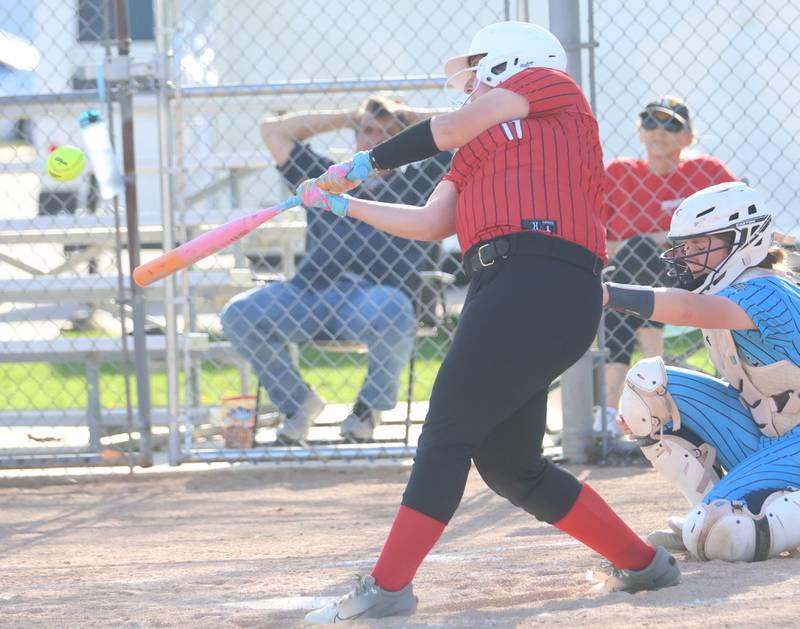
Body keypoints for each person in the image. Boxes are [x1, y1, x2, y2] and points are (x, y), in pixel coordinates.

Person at [292, 21, 680, 624]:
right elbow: (431, 222)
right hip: (501, 289)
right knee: (511, 466)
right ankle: (642, 563)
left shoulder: (551, 85)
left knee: (446, 432)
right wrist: (341, 202)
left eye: (478, 72)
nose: (470, 85)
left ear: (510, 61)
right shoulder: (474, 148)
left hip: (543, 276)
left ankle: (388, 587)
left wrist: (361, 163)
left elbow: (446, 128)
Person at [220, 95, 451, 443]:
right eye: (369, 130)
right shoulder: (327, 179)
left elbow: (467, 127)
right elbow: (272, 132)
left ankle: (366, 411)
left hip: (373, 300)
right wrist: (348, 116)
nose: (378, 139)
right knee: (239, 314)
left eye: (390, 133)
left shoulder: (419, 181)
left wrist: (408, 117)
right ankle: (298, 404)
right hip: (311, 292)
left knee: (394, 308)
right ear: (356, 137)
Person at [605, 181, 800, 562]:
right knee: (648, 387)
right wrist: (650, 412)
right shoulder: (726, 291)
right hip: (774, 435)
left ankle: (724, 514)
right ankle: (714, 509)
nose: (688, 256)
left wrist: (608, 293)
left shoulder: (767, 292)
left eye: (700, 245)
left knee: (725, 535)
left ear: (743, 241)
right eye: (685, 246)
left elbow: (687, 309)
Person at [600, 96, 737, 430]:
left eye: (672, 124)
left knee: (636, 258)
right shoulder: (619, 173)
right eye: (650, 122)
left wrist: (654, 242)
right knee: (638, 254)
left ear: (688, 137)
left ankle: (608, 409)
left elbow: (732, 231)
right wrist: (664, 238)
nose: (660, 130)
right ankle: (655, 379)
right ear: (640, 133)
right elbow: (598, 242)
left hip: (691, 279)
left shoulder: (707, 172)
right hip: (627, 276)